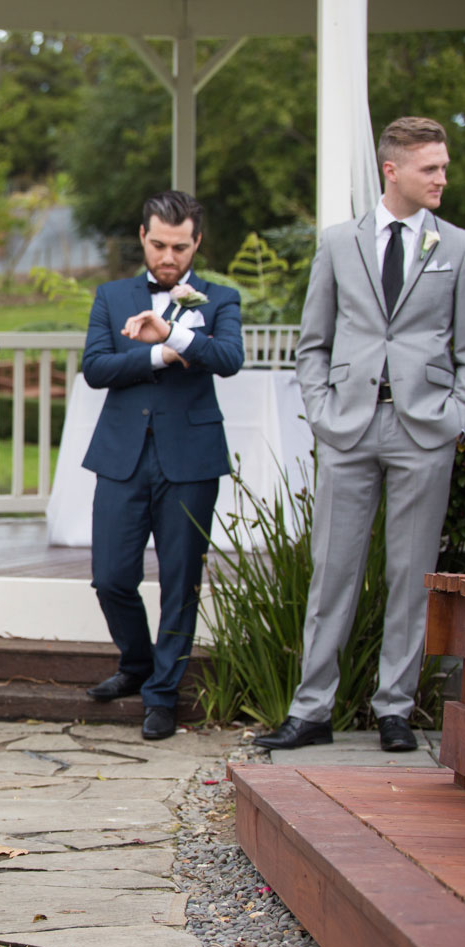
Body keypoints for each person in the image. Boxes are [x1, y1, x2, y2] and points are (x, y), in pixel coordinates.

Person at [256, 117, 462, 754]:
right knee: (332, 572)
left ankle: (394, 710)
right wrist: (321, 412)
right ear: (392, 170)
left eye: (445, 167)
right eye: (431, 168)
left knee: (409, 574)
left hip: (424, 430)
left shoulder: (456, 246)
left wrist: (456, 414)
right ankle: (310, 709)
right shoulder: (339, 243)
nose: (443, 179)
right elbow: (312, 343)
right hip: (348, 427)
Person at [80, 191, 243, 740]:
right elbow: (96, 368)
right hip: (121, 452)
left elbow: (229, 359)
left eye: (178, 246)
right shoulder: (112, 294)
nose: (167, 256)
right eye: (157, 244)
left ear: (196, 242)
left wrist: (175, 332)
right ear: (143, 236)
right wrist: (159, 354)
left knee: (181, 580)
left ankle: (162, 693)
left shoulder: (220, 298)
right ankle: (138, 661)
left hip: (190, 458)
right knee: (110, 577)